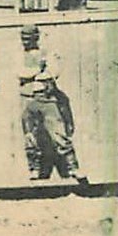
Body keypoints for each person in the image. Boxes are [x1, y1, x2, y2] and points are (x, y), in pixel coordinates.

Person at [19, 25, 87, 185]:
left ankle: (72, 167)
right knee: (30, 136)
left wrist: (38, 73)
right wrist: (37, 70)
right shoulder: (19, 55)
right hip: (27, 98)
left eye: (29, 38)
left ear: (37, 37)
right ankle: (34, 169)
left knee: (59, 134)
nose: (26, 42)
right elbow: (19, 72)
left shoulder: (46, 53)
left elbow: (54, 71)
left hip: (47, 97)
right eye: (24, 38)